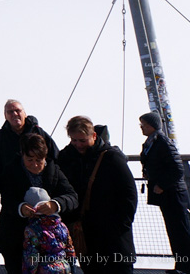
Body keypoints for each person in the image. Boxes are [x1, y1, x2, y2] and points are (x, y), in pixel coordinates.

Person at [56, 115, 136, 273]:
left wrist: (121, 225)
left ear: (93, 136)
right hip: (85, 233)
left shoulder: (111, 157)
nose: (78, 145)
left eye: (82, 140)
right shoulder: (66, 157)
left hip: (113, 235)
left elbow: (128, 194)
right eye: (74, 141)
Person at [0, 134, 77, 274]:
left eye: (39, 160)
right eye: (29, 160)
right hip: (16, 238)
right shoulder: (11, 170)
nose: (35, 164)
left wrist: (55, 205)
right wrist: (21, 208)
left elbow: (72, 197)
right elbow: (7, 199)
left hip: (49, 243)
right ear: (22, 155)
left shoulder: (54, 170)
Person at [139, 111, 190, 274]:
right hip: (167, 195)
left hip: (173, 194)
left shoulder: (162, 142)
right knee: (174, 231)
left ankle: (189, 268)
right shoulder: (153, 142)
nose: (142, 128)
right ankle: (182, 266)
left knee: (180, 232)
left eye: (144, 125)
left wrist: (162, 185)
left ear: (152, 125)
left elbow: (178, 169)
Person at [0, 100, 60, 175]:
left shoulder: (38, 132)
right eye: (10, 112)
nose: (14, 114)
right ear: (5, 116)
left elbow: (55, 156)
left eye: (17, 110)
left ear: (25, 114)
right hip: (11, 183)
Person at [22, 186, 76, 274]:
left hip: (45, 269)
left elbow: (32, 256)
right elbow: (70, 250)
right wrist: (72, 268)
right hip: (64, 267)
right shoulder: (62, 226)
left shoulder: (32, 230)